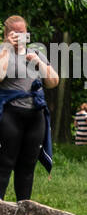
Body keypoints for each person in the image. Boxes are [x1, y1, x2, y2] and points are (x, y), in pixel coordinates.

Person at [0, 16, 59, 200]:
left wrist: (39, 63)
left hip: (35, 116)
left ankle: (24, 213)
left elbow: (53, 82)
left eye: (23, 32)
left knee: (27, 166)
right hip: (11, 115)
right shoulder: (2, 51)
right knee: (4, 164)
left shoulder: (35, 53)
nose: (20, 36)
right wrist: (6, 48)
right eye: (15, 33)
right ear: (7, 34)